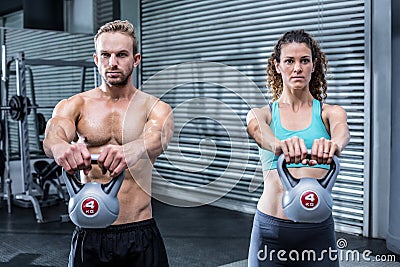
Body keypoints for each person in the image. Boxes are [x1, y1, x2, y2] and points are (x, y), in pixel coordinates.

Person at [43, 20, 173, 267]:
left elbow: (158, 137)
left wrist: (131, 149)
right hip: (90, 232)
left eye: (121, 55)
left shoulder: (155, 107)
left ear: (136, 60)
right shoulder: (76, 104)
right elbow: (53, 134)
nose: (112, 63)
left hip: (139, 230)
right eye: (106, 55)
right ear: (96, 59)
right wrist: (61, 147)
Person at [246, 30, 350, 267]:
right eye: (289, 61)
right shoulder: (264, 114)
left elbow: (343, 131)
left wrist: (334, 145)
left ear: (314, 65)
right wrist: (279, 145)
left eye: (304, 60)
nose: (297, 68)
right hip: (271, 234)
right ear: (277, 66)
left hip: (318, 235)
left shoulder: (330, 112)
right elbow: (256, 129)